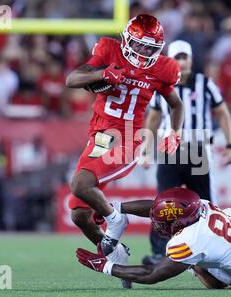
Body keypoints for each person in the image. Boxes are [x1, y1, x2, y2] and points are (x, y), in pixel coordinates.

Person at [65, 14, 184, 259]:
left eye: (149, 47)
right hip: (99, 137)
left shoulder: (164, 68)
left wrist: (175, 132)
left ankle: (115, 219)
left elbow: (176, 104)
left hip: (129, 138)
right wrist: (101, 74)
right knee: (78, 213)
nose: (142, 51)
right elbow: (72, 79)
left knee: (79, 184)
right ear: (127, 39)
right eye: (139, 44)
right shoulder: (109, 50)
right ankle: (117, 255)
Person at [75, 187, 231, 288]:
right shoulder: (198, 206)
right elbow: (157, 207)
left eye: (164, 222)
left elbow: (152, 274)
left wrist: (106, 266)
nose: (158, 224)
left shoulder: (190, 240)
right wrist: (115, 208)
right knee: (216, 268)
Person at [141, 40, 231, 265]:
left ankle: (212, 251)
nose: (181, 62)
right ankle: (160, 253)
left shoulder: (205, 83)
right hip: (170, 150)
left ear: (191, 59)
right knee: (163, 204)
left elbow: (222, 113)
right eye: (177, 58)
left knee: (205, 203)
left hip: (198, 150)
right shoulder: (162, 85)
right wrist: (145, 148)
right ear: (170, 61)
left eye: (185, 57)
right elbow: (153, 118)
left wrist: (230, 145)